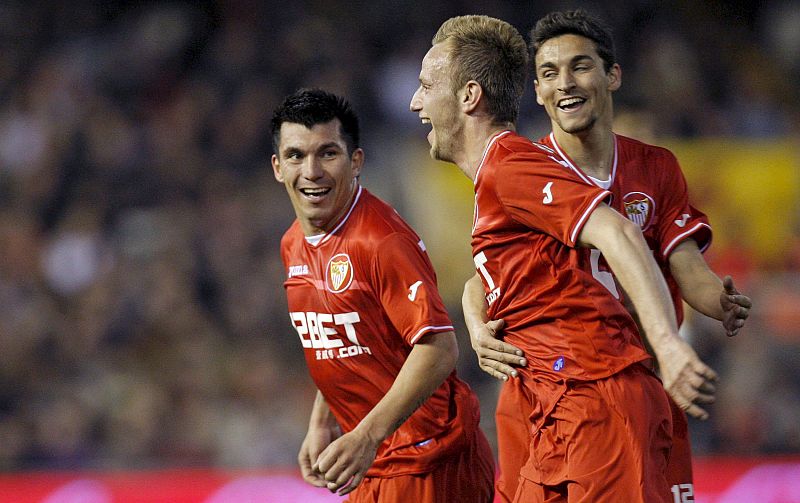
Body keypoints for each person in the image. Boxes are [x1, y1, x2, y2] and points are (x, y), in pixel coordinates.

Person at [410, 15, 717, 502]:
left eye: (426, 85)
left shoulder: (511, 166)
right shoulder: (501, 174)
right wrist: (476, 318)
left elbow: (619, 232)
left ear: (469, 97)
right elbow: (501, 277)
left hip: (598, 398)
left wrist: (670, 344)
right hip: (551, 401)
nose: (415, 102)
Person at [272, 88, 494, 502]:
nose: (312, 171)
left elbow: (439, 347)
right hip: (374, 461)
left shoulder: (381, 240)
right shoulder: (293, 244)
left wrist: (367, 435)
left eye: (328, 153)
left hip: (428, 461)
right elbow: (348, 339)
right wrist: (324, 419)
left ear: (356, 162)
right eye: (296, 156)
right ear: (278, 167)